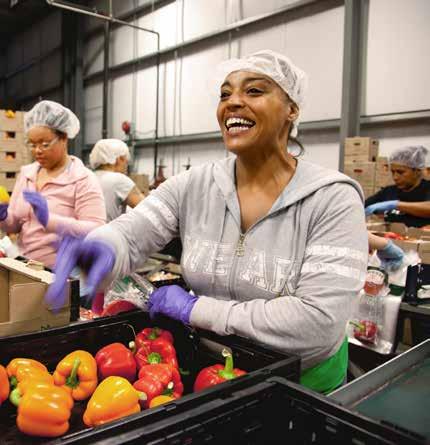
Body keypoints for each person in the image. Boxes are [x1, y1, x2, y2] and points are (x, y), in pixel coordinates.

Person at [46, 50, 368, 393]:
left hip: (300, 387)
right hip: (212, 373)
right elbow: (133, 232)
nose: (233, 103)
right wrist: (104, 248)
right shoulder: (196, 185)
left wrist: (198, 309)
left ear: (292, 109)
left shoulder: (331, 198)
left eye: (254, 91)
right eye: (225, 94)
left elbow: (317, 322)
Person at [0, 100, 106, 269]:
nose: (37, 151)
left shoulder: (82, 178)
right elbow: (15, 225)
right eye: (32, 145)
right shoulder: (27, 174)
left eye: (45, 144)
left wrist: (50, 220)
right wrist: (5, 217)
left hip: (63, 273)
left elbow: (96, 229)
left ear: (64, 138)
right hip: (25, 267)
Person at [365, 146, 430, 227]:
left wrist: (396, 205)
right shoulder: (388, 192)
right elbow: (364, 205)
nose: (395, 177)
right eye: (393, 172)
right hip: (393, 238)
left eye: (400, 172)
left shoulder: (427, 188)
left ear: (417, 171)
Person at [89, 139, 145, 221]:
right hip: (108, 232)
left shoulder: (88, 177)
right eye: (126, 161)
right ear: (119, 159)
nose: (126, 167)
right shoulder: (120, 180)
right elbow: (145, 208)